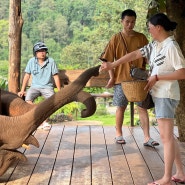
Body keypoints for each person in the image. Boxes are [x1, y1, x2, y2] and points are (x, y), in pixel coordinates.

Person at [100, 13, 185, 185]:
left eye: (150, 28)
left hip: (166, 94)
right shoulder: (155, 44)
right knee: (168, 136)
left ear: (158, 27)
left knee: (166, 137)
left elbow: (182, 72)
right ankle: (181, 173)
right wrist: (112, 65)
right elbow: (133, 55)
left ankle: (167, 178)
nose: (149, 31)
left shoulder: (171, 46)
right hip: (158, 93)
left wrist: (158, 77)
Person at [99, 9, 159, 147]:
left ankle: (147, 138)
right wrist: (112, 77)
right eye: (127, 22)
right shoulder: (116, 38)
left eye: (132, 22)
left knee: (142, 108)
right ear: (122, 21)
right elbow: (107, 60)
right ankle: (118, 134)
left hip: (139, 80)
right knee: (120, 107)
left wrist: (152, 72)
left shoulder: (141, 37)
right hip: (121, 79)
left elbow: (148, 58)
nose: (130, 25)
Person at [18, 42, 61, 130]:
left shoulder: (51, 61)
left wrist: (60, 91)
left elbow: (56, 77)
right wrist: (22, 90)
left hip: (48, 87)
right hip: (34, 87)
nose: (42, 53)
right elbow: (26, 76)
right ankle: (39, 121)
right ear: (35, 53)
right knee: (27, 100)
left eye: (44, 51)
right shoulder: (31, 61)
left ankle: (44, 122)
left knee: (52, 102)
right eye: (40, 51)